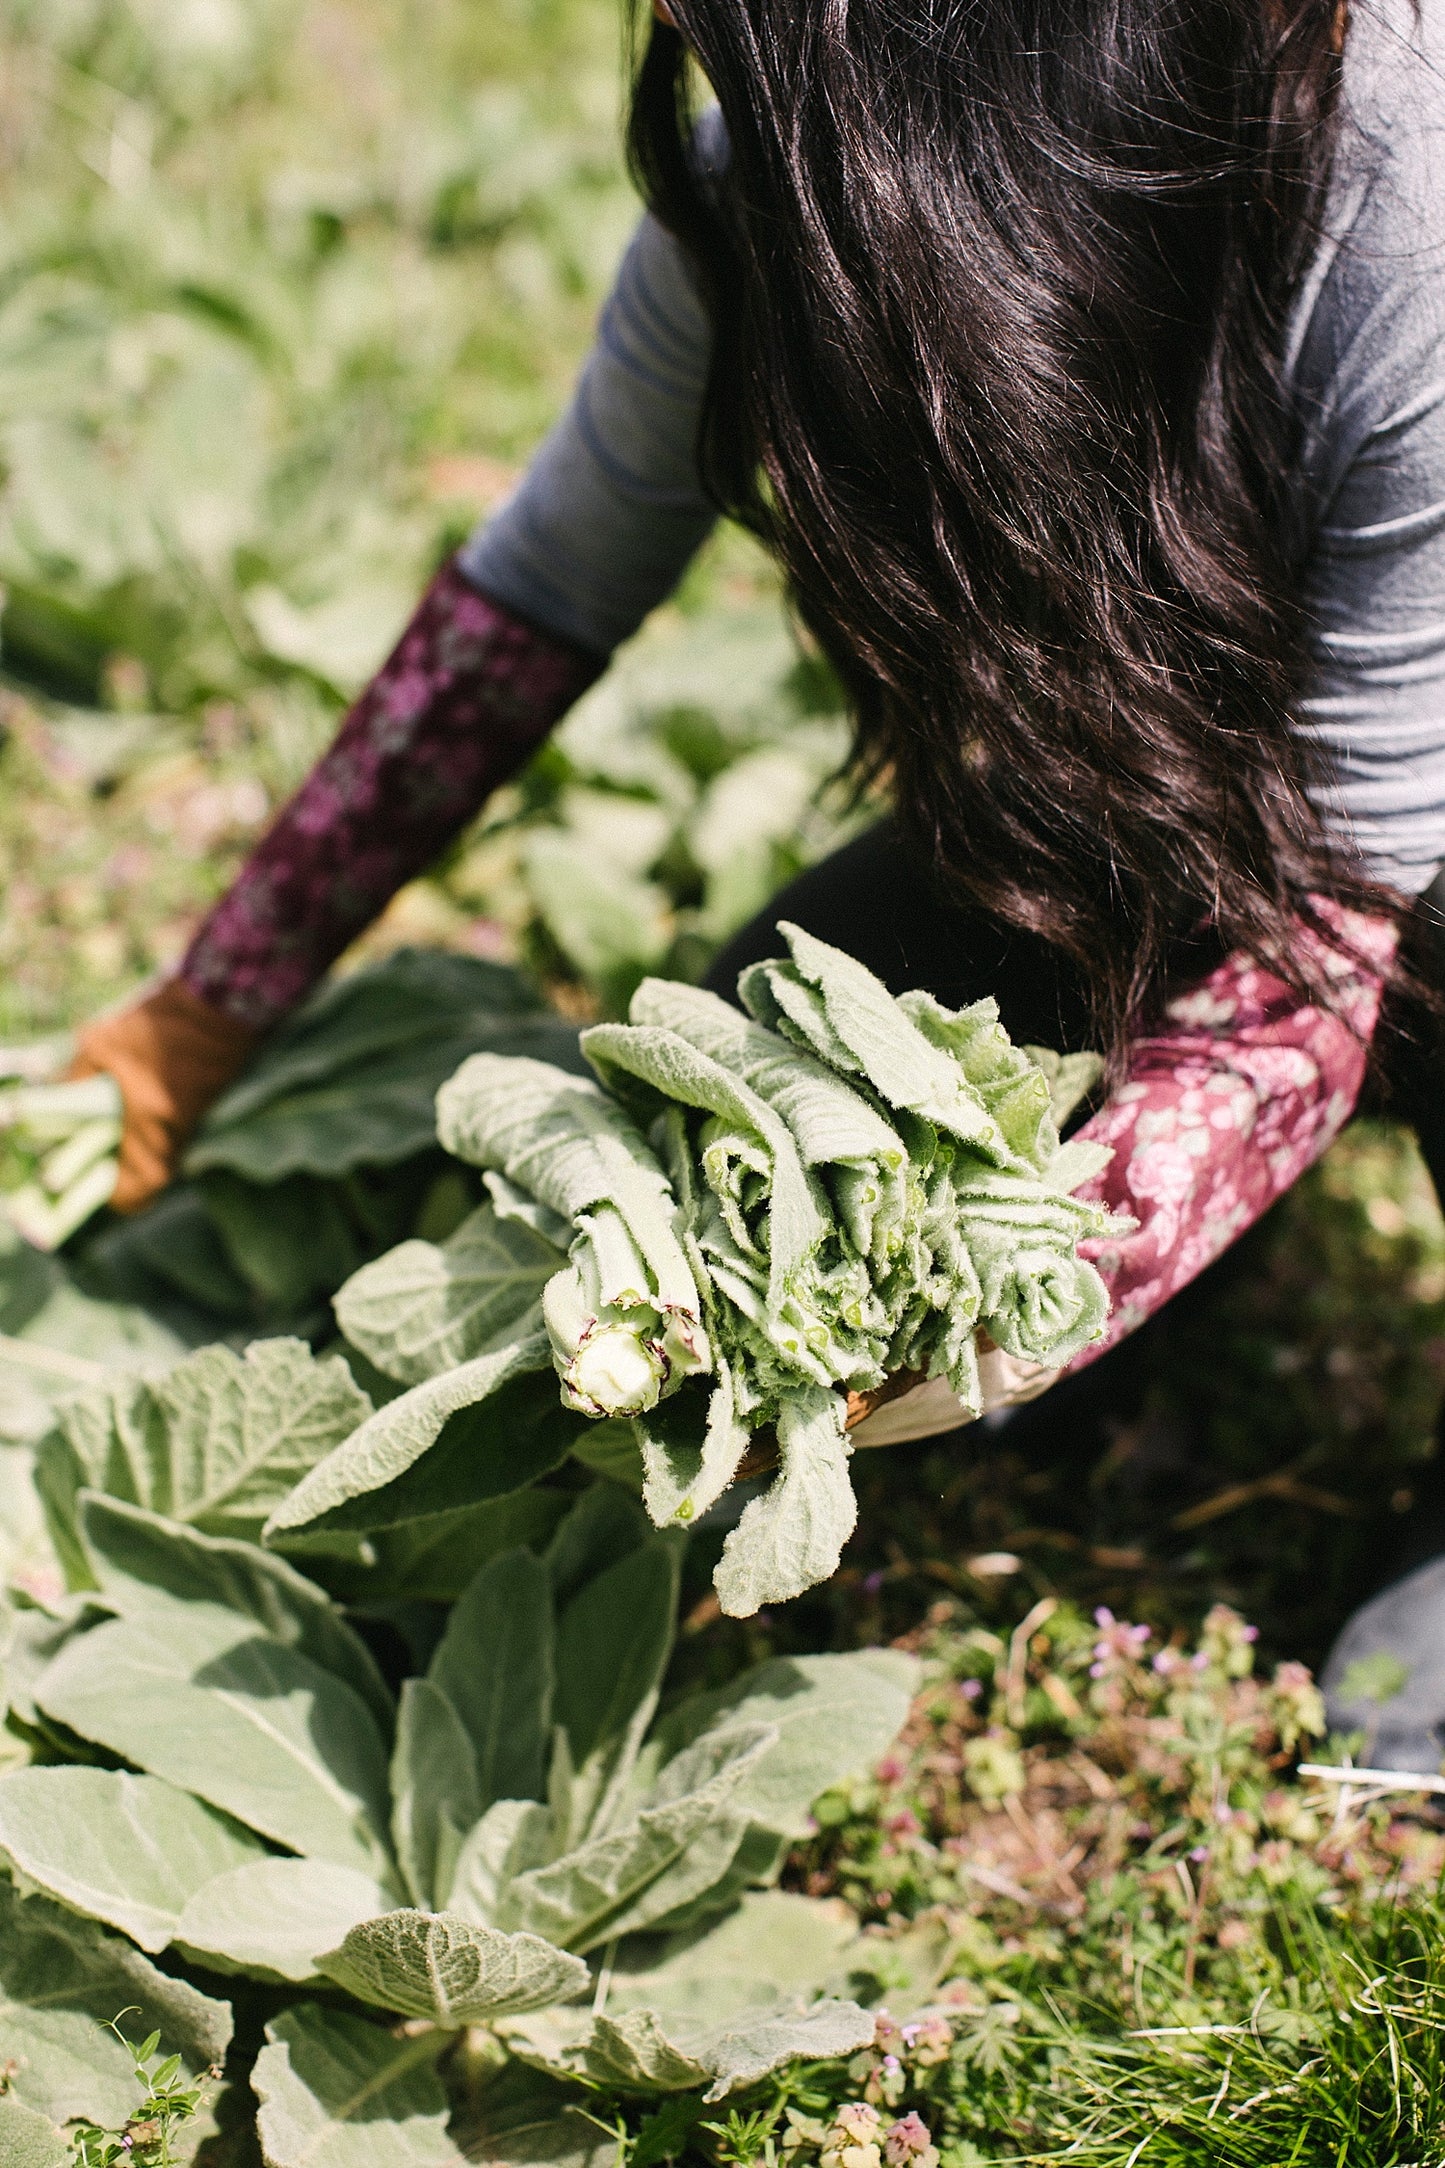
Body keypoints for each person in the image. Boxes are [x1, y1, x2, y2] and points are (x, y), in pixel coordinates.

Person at [72, 0, 1445, 1743]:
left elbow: (1330, 913)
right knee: (734, 1090)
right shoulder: (796, 198)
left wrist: (1050, 1287)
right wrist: (215, 1000)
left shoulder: (1403, 182)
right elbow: (539, 592)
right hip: (1193, 830)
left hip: (1393, 853)